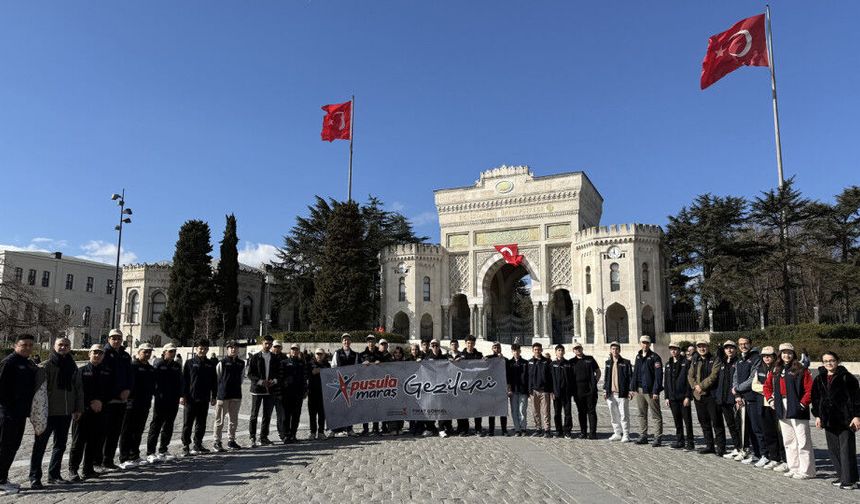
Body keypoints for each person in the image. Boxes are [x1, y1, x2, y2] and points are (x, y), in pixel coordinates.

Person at [29, 337, 82, 488]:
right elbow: (38, 391)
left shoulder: (72, 366)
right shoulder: (45, 366)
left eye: (66, 345)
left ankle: (54, 475)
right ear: (54, 346)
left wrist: (78, 408)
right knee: (40, 446)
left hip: (65, 413)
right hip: (47, 413)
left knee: (60, 445)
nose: (63, 347)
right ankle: (34, 477)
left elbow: (78, 388)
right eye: (60, 345)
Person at [763, 342, 816, 480]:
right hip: (781, 406)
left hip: (797, 406)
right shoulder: (776, 369)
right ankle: (794, 467)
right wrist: (771, 400)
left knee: (803, 441)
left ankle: (807, 470)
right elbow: (767, 387)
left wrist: (803, 404)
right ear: (780, 354)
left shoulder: (801, 369)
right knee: (789, 440)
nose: (787, 355)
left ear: (794, 354)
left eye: (790, 352)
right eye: (784, 352)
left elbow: (810, 390)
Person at [811, 351, 860, 490]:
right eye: (825, 361)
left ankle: (849, 480)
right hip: (828, 419)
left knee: (846, 450)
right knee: (833, 450)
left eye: (831, 360)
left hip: (846, 419)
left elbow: (857, 398)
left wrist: (857, 416)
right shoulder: (819, 378)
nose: (829, 363)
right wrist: (818, 416)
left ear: (837, 360)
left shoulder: (848, 378)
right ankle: (842, 475)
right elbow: (815, 399)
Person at [0, 334, 40, 494]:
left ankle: (3, 477)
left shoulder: (28, 363)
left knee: (13, 446)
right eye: (24, 345)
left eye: (31, 345)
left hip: (20, 413)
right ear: (16, 345)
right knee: (4, 445)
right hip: (8, 412)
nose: (28, 348)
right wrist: (10, 407)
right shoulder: (9, 363)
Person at [69, 344, 111, 482]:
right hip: (83, 412)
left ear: (103, 355)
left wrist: (101, 402)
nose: (97, 355)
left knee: (94, 442)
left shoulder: (106, 372)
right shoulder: (81, 371)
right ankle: (73, 470)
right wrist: (90, 403)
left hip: (100, 412)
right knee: (78, 442)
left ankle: (88, 469)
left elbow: (109, 391)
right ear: (89, 354)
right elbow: (77, 391)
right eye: (95, 353)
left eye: (100, 353)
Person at [99, 328, 133, 471]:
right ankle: (98, 461)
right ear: (108, 339)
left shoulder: (125, 356)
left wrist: (127, 390)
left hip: (122, 400)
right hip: (108, 400)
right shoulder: (104, 354)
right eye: (114, 338)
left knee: (114, 432)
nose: (116, 340)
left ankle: (108, 460)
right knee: (103, 433)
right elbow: (102, 377)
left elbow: (130, 376)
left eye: (119, 338)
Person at [118, 343, 155, 469]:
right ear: (139, 352)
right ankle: (124, 457)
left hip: (144, 404)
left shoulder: (150, 369)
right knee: (127, 431)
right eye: (145, 352)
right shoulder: (132, 366)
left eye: (149, 352)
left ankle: (135, 455)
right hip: (131, 404)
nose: (147, 354)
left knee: (138, 431)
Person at [146, 343, 183, 463]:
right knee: (156, 425)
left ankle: (163, 449)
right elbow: (153, 381)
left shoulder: (177, 365)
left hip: (173, 399)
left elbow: (180, 382)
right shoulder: (158, 364)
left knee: (169, 425)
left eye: (174, 351)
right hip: (161, 399)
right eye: (170, 351)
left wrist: (181, 395)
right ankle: (150, 452)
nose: (172, 353)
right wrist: (155, 393)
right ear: (164, 352)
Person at [688, 339, 725, 456]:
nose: (702, 349)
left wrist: (701, 386)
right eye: (699, 347)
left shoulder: (715, 359)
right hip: (699, 396)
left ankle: (721, 447)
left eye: (704, 346)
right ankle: (709, 445)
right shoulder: (695, 360)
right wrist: (695, 386)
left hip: (711, 395)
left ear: (708, 347)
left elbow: (714, 375)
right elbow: (690, 375)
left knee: (717, 422)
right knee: (704, 422)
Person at [181, 339, 217, 456]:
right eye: (201, 348)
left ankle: (198, 444)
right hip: (191, 398)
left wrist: (214, 396)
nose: (203, 350)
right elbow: (184, 380)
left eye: (205, 349)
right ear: (196, 349)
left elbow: (214, 381)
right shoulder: (189, 363)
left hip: (204, 398)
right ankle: (186, 445)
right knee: (188, 423)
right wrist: (183, 395)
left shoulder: (210, 364)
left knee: (201, 423)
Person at [754, 346, 787, 471]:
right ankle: (774, 458)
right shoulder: (759, 368)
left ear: (774, 356)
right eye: (764, 356)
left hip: (776, 404)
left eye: (769, 355)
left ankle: (784, 459)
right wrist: (766, 390)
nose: (766, 358)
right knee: (769, 433)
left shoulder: (778, 369)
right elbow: (754, 385)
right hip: (764, 404)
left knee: (780, 433)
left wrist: (770, 391)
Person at [732, 336, 762, 464]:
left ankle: (762, 454)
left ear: (750, 344)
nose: (743, 346)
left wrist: (738, 388)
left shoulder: (756, 358)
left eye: (745, 343)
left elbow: (752, 379)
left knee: (757, 428)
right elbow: (735, 376)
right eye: (740, 344)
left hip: (753, 397)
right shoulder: (740, 359)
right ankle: (755, 453)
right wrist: (737, 393)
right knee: (747, 428)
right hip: (742, 397)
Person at [630, 335, 663, 446]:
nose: (645, 345)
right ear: (640, 343)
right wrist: (632, 388)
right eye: (643, 342)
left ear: (649, 344)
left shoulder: (655, 357)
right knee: (641, 413)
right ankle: (643, 435)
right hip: (639, 390)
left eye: (647, 343)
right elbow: (635, 373)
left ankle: (657, 437)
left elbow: (658, 376)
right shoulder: (638, 356)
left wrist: (656, 391)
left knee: (655, 414)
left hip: (650, 390)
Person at [247, 335, 279, 446]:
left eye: (270, 344)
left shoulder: (275, 358)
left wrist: (273, 381)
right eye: (266, 343)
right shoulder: (255, 357)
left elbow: (278, 373)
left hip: (270, 390)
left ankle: (263, 437)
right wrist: (261, 381)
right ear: (262, 343)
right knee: (254, 414)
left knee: (267, 415)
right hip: (257, 390)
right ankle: (252, 437)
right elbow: (250, 373)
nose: (268, 346)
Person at [213, 341, 244, 452]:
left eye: (235, 347)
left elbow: (241, 378)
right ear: (227, 349)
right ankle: (217, 441)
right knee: (219, 420)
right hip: (223, 396)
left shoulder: (241, 363)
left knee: (233, 420)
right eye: (231, 348)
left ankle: (231, 440)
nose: (233, 349)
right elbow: (218, 378)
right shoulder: (222, 363)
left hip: (236, 395)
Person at [663, 343, 693, 450]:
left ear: (679, 350)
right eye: (671, 349)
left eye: (675, 349)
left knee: (687, 421)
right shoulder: (667, 364)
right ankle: (680, 441)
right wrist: (666, 397)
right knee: (677, 421)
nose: (673, 351)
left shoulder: (686, 363)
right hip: (672, 398)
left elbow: (689, 381)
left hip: (683, 397)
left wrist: (688, 396)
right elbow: (666, 382)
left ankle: (690, 443)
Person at [715, 340, 742, 460]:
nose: (729, 350)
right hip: (723, 399)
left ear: (736, 349)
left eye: (731, 348)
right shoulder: (723, 362)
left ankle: (741, 447)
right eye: (727, 348)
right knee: (730, 424)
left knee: (737, 425)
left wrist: (737, 396)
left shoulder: (738, 363)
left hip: (733, 399)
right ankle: (737, 447)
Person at [570, 342, 600, 439]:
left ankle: (592, 433)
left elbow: (598, 371)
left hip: (590, 390)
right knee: (581, 412)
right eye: (576, 348)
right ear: (573, 350)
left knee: (591, 411)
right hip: (578, 391)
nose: (578, 350)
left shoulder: (590, 359)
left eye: (579, 348)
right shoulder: (571, 362)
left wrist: (595, 382)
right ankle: (583, 432)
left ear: (582, 349)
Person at [332, 333, 359, 437]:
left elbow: (357, 368)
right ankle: (337, 429)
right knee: (338, 407)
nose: (346, 342)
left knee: (350, 407)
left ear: (350, 342)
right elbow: (333, 367)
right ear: (342, 342)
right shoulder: (337, 353)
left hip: (351, 385)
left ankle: (349, 429)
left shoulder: (355, 354)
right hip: (339, 385)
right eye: (344, 340)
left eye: (348, 340)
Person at [604, 342, 631, 442]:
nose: (614, 351)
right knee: (614, 415)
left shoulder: (625, 362)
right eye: (613, 349)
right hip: (610, 394)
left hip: (622, 394)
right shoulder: (608, 363)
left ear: (619, 350)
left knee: (624, 415)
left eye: (616, 349)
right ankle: (617, 433)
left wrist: (630, 391)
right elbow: (606, 378)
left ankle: (626, 434)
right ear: (610, 350)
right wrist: (604, 390)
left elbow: (630, 377)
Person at [280, 343, 308, 443]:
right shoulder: (284, 362)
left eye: (296, 349)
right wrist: (281, 391)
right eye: (293, 349)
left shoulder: (301, 363)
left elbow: (304, 378)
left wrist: (305, 390)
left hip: (298, 394)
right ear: (290, 351)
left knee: (296, 416)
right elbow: (281, 378)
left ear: (299, 351)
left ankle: (293, 435)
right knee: (286, 417)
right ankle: (286, 435)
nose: (294, 351)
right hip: (286, 394)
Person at [358, 335, 383, 436]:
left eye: (372, 341)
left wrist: (381, 363)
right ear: (367, 343)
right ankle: (365, 428)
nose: (371, 343)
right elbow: (356, 368)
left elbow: (388, 366)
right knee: (365, 407)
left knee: (376, 407)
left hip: (377, 384)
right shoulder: (362, 355)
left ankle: (376, 428)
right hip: (365, 385)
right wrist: (362, 364)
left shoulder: (380, 354)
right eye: (369, 341)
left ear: (375, 342)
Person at [460, 335, 484, 436]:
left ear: (474, 344)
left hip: (475, 386)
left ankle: (478, 428)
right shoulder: (461, 355)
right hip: (465, 387)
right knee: (464, 408)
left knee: (477, 408)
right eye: (468, 343)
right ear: (465, 344)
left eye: (472, 343)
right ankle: (465, 429)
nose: (470, 345)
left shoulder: (479, 355)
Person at [528, 342, 551, 437]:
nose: (537, 351)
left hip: (544, 390)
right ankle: (538, 428)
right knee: (535, 411)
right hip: (534, 391)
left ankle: (547, 429)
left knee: (545, 411)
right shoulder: (529, 362)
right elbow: (528, 377)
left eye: (539, 349)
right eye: (535, 350)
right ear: (533, 350)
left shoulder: (547, 361)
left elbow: (550, 377)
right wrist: (529, 390)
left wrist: (550, 390)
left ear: (541, 350)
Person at [549, 344, 572, 438]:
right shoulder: (552, 364)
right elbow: (549, 379)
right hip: (556, 393)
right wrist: (551, 392)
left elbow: (572, 378)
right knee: (557, 413)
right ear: (555, 352)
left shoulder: (568, 364)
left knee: (568, 413)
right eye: (558, 350)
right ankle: (559, 430)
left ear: (564, 352)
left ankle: (567, 430)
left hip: (566, 393)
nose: (560, 352)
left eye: (562, 350)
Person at [486, 342, 508, 436]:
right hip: (491, 388)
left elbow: (509, 373)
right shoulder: (488, 358)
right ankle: (491, 430)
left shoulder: (505, 360)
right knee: (492, 410)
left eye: (498, 347)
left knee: (503, 410)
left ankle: (504, 430)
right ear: (492, 349)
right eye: (495, 347)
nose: (496, 349)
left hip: (502, 387)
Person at [308, 348, 331, 440]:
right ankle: (313, 432)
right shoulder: (310, 363)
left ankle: (321, 432)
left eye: (321, 354)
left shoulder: (327, 364)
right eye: (317, 354)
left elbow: (329, 374)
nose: (319, 355)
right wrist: (323, 370)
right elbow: (314, 371)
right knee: (312, 414)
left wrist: (320, 370)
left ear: (324, 355)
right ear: (315, 354)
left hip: (323, 392)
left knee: (322, 414)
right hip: (312, 392)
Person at [507, 343, 529, 436]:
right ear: (512, 351)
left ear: (520, 351)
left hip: (523, 389)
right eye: (514, 351)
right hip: (513, 390)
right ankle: (517, 429)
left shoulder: (525, 362)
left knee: (522, 410)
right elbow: (507, 377)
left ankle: (523, 428)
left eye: (517, 350)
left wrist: (528, 390)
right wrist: (508, 388)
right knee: (514, 410)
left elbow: (528, 377)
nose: (516, 352)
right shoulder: (509, 363)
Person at [270, 340, 286, 441]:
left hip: (281, 390)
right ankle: (263, 436)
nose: (277, 349)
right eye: (275, 347)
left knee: (281, 414)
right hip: (269, 390)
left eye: (278, 347)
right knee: (267, 415)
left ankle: (282, 433)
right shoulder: (269, 357)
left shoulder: (284, 358)